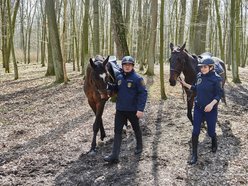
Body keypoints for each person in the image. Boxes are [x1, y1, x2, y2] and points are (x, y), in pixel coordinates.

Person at [104, 56, 148, 163]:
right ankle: (114, 156)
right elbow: (117, 88)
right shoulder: (119, 77)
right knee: (117, 131)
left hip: (133, 110)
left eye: (129, 65)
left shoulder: (138, 79)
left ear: (132, 66)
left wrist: (140, 109)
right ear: (122, 66)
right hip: (120, 110)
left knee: (136, 128)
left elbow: (143, 93)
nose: (127, 67)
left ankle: (139, 146)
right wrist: (109, 86)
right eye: (125, 65)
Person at [179, 58, 223, 165]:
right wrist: (185, 84)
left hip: (211, 110)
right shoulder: (199, 76)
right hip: (198, 108)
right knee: (195, 131)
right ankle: (194, 155)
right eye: (201, 67)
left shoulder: (216, 79)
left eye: (205, 67)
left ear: (211, 67)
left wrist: (211, 104)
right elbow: (195, 88)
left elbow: (219, 94)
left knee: (211, 131)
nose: (202, 69)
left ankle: (214, 140)